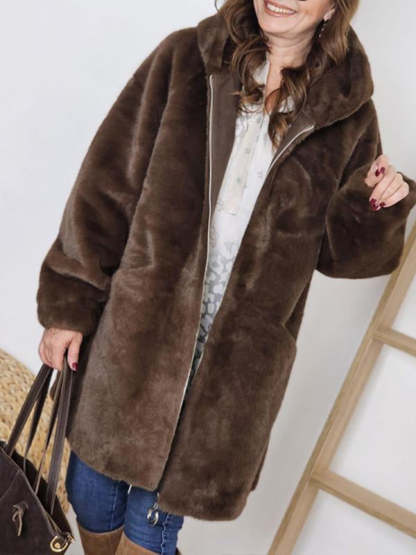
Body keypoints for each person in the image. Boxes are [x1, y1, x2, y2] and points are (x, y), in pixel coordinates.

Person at [36, 1, 416, 554]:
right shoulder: (187, 60)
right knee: (89, 492)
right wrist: (70, 305)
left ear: (334, 6)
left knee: (150, 526)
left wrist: (376, 205)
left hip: (234, 367)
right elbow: (106, 186)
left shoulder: (348, 115)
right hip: (137, 335)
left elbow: (341, 257)